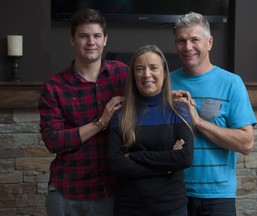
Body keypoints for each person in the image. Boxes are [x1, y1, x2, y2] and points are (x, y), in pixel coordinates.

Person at [38, 8, 128, 216]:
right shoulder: (54, 86)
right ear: (72, 40)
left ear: (105, 39)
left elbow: (150, 96)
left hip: (111, 191)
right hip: (67, 193)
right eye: (84, 36)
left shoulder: (122, 74)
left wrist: (172, 95)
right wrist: (100, 123)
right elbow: (53, 140)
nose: (91, 42)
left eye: (97, 36)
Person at [170, 12, 257, 216]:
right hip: (173, 193)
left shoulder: (232, 83)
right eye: (181, 41)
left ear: (209, 42)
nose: (188, 47)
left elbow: (246, 143)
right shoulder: (166, 83)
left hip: (218, 197)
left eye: (194, 40)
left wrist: (197, 122)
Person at [108, 44, 194, 216]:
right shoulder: (121, 114)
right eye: (140, 69)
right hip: (129, 208)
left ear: (164, 72)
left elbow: (184, 158)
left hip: (172, 208)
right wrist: (166, 166)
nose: (147, 74)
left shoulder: (179, 110)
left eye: (153, 67)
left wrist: (134, 156)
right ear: (133, 75)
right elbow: (115, 164)